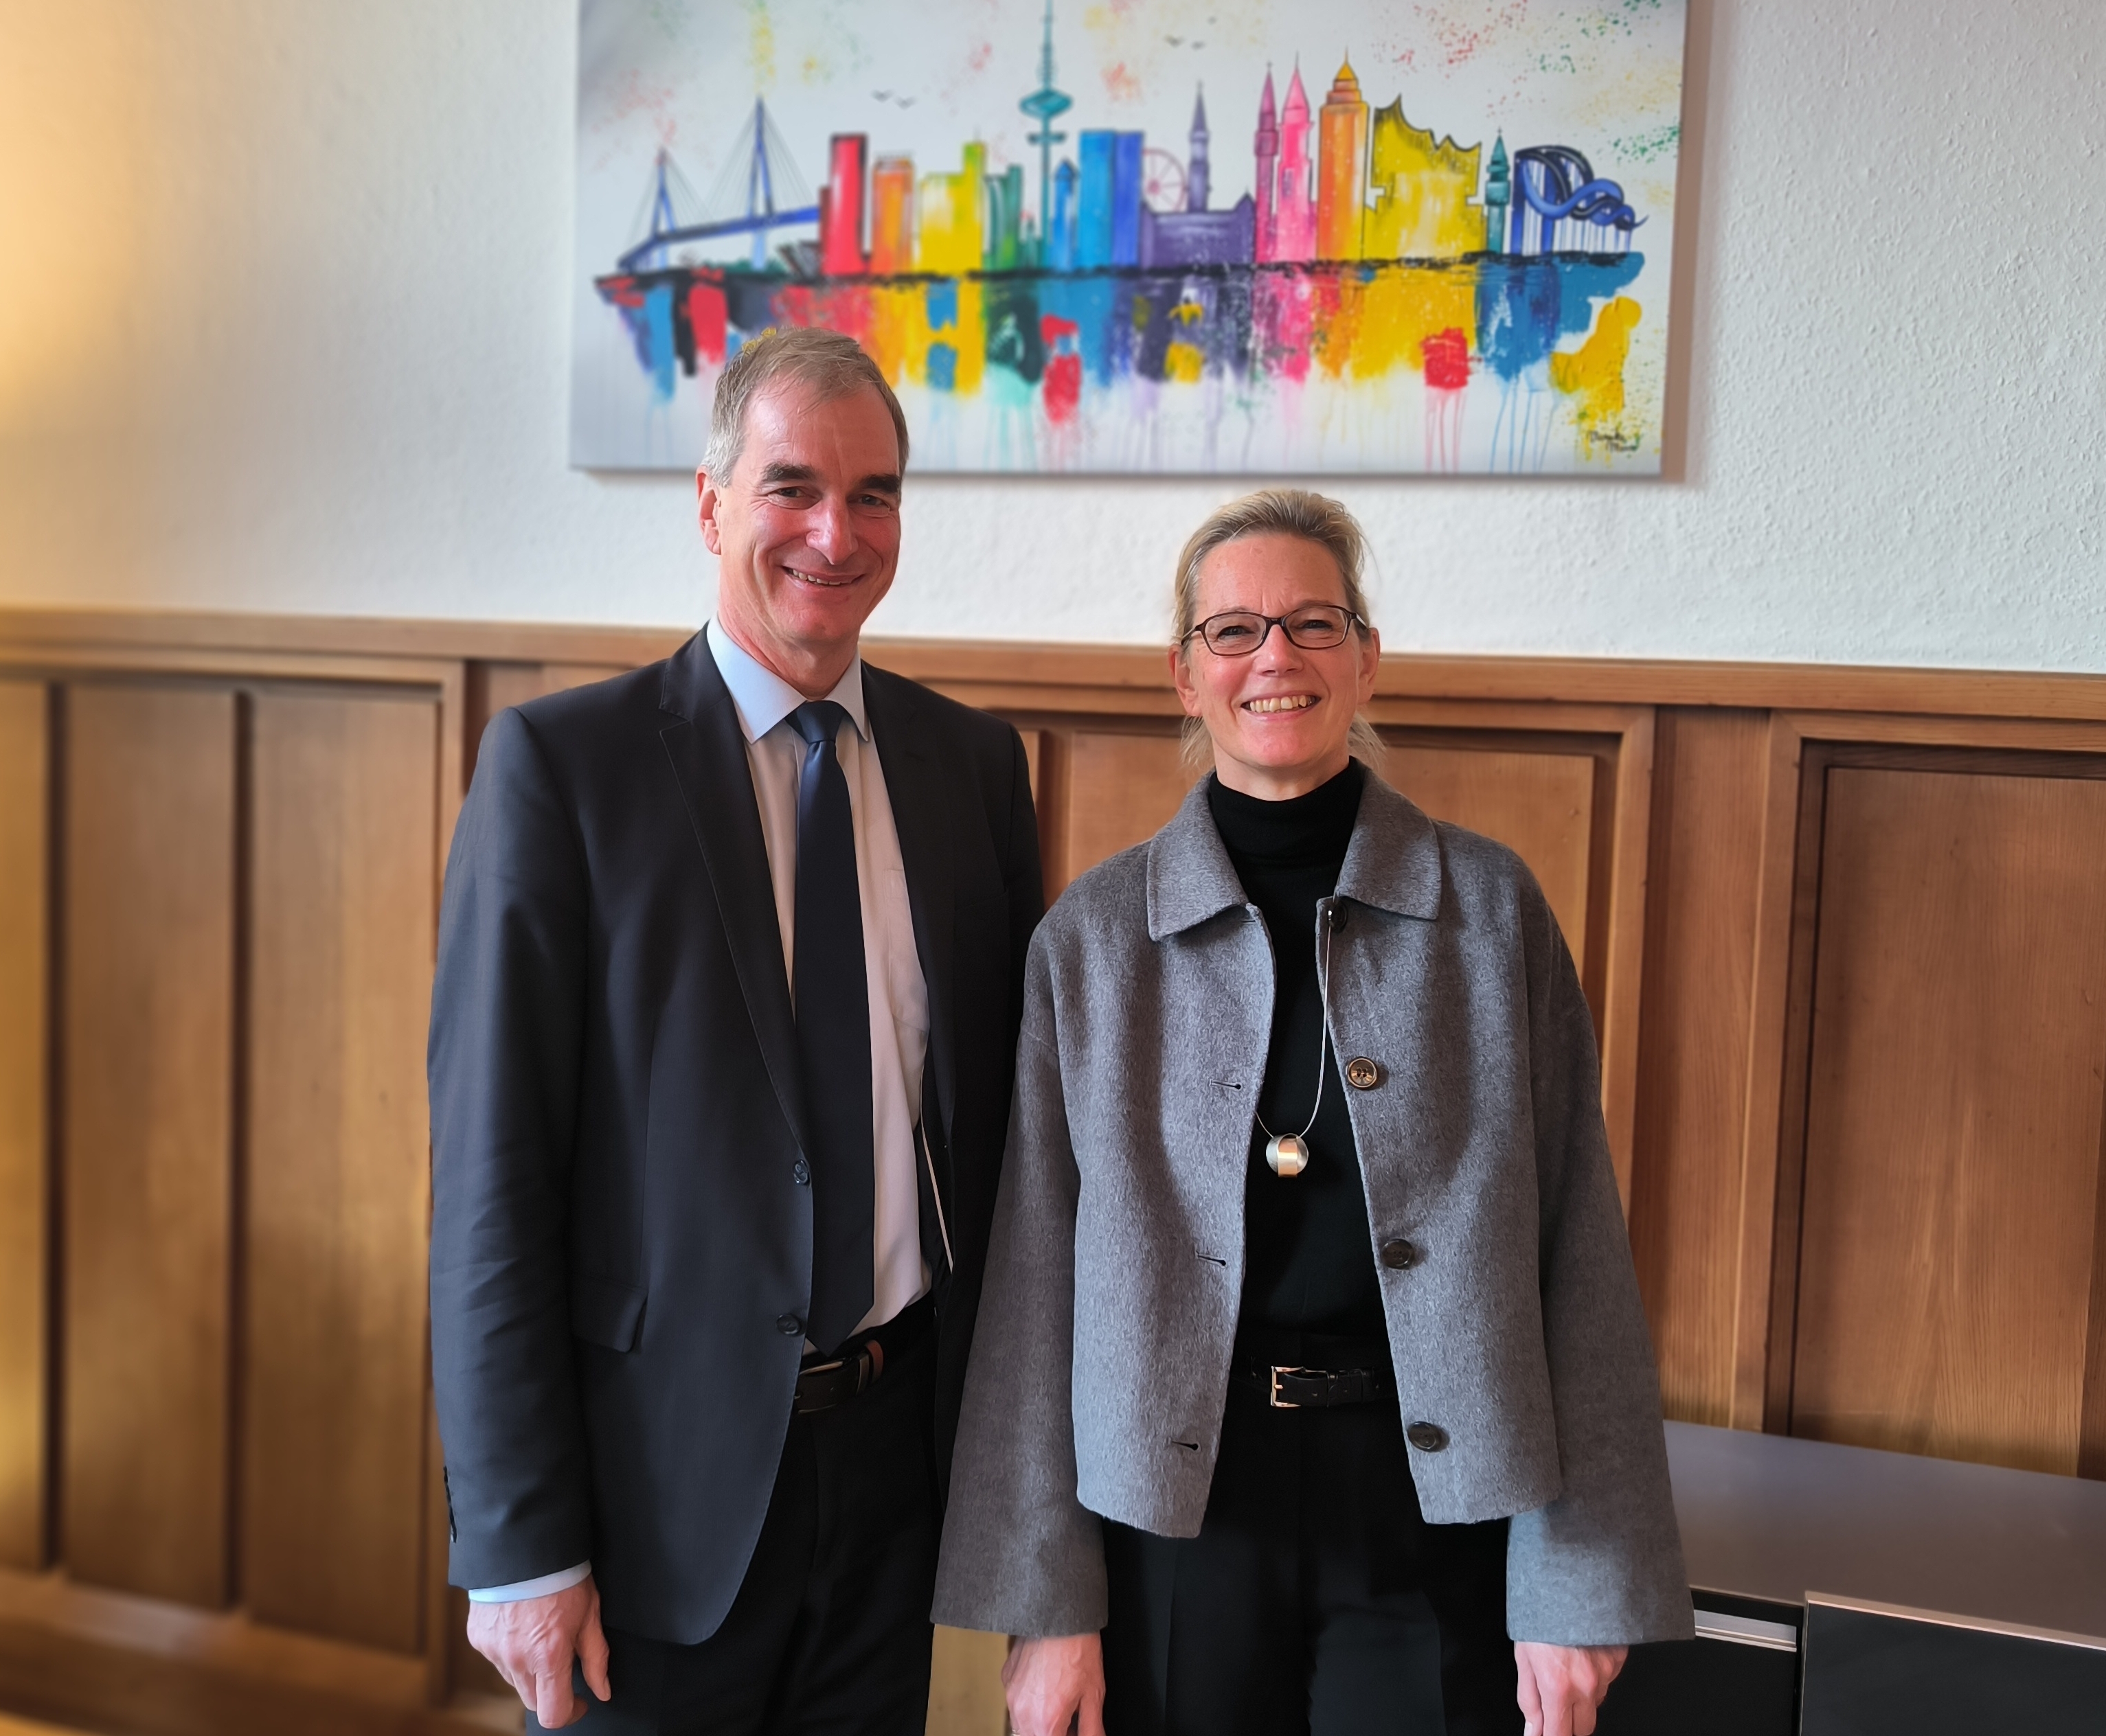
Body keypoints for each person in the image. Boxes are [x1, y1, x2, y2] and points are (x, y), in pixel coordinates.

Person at [931, 489, 1690, 1736]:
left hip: (1433, 1510)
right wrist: (1046, 1604)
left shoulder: (1488, 913)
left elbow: (1579, 1256)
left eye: (1312, 624)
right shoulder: (1095, 940)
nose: (1274, 657)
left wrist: (1580, 1577)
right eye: (1233, 630)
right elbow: (1033, 1289)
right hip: (1176, 1518)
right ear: (1185, 676)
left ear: (1366, 657)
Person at [429, 328, 1043, 1734]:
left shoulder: (972, 770)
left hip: (895, 1479)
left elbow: (1006, 1156)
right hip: (651, 1499)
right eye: (792, 488)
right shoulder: (564, 771)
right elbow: (490, 1184)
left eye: (874, 494)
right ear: (710, 506)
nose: (837, 533)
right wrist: (519, 1542)